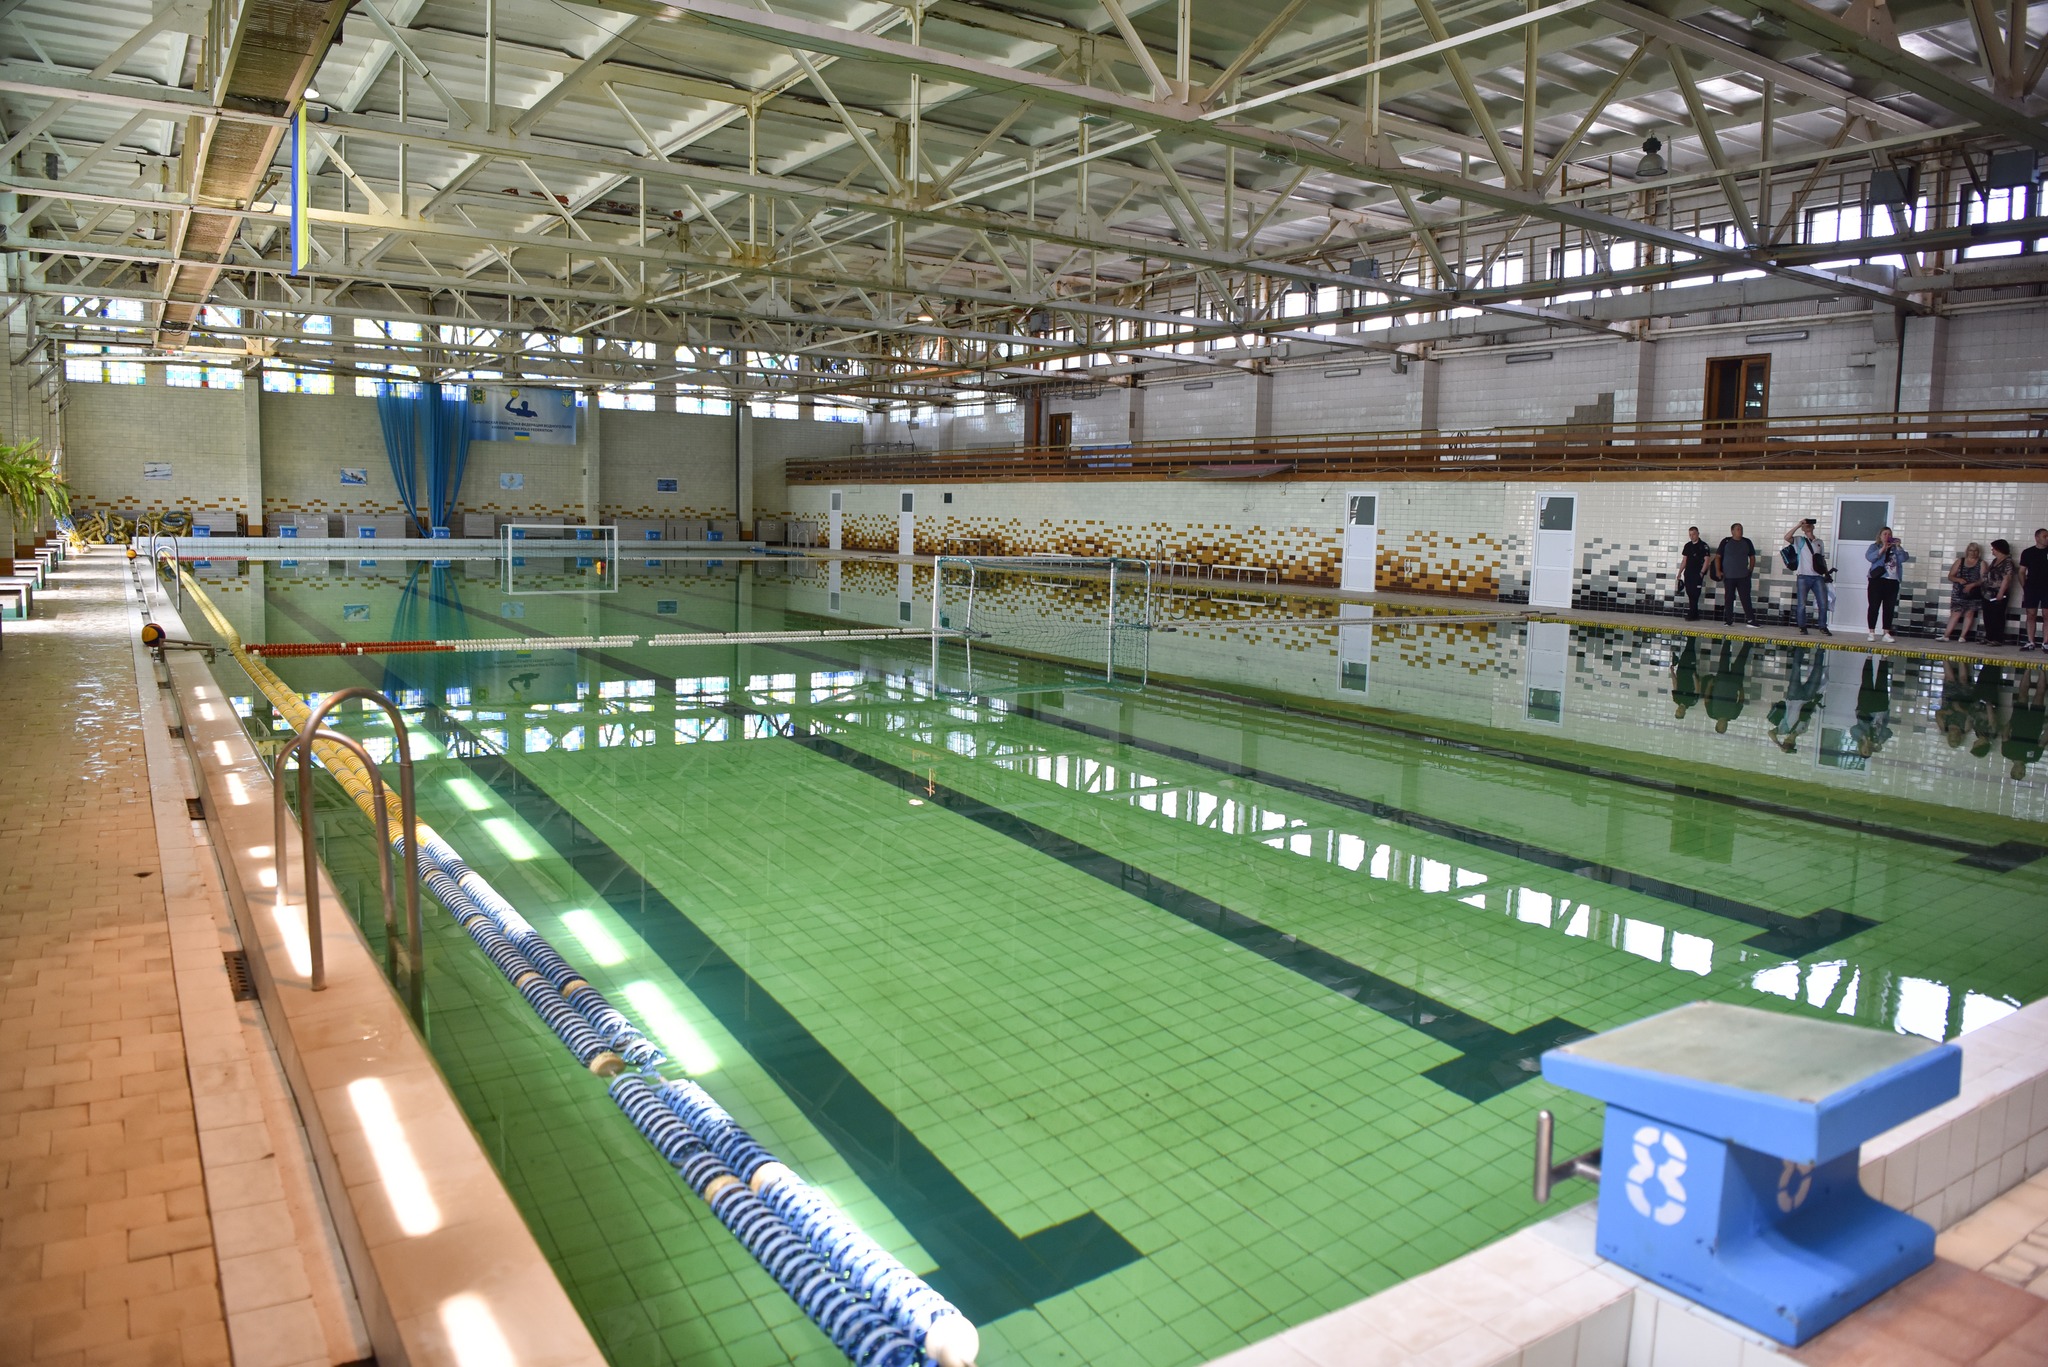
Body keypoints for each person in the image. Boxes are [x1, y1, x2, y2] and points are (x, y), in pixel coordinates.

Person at [1768, 647, 1826, 753]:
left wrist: (1779, 745)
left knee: (1796, 669)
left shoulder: (1783, 730)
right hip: (1807, 698)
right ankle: (1820, 650)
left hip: (1793, 697)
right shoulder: (1803, 730)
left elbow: (1770, 733)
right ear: (1794, 743)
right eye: (1789, 744)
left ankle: (1801, 648)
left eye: (1786, 743)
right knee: (1817, 671)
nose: (1788, 742)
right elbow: (1808, 713)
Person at [1783, 518, 1831, 636]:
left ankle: (1823, 626)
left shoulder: (1819, 542)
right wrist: (1798, 524)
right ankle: (1802, 627)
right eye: (1806, 525)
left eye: (1810, 524)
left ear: (1813, 527)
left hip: (1817, 577)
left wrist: (1826, 573)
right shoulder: (1800, 540)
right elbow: (1787, 537)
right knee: (1802, 604)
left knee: (1823, 603)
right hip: (1803, 576)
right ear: (1803, 529)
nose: (1808, 526)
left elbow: (1822, 559)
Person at [1864, 527, 1908, 642]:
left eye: (1889, 534)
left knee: (1889, 607)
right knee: (1874, 606)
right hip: (1877, 580)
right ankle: (1871, 632)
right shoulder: (1874, 546)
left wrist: (1898, 547)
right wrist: (1883, 547)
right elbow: (1870, 557)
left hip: (1892, 581)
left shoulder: (1895, 548)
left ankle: (1886, 633)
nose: (1887, 536)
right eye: (1885, 534)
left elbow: (1904, 558)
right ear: (1880, 536)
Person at [1704, 639, 1752, 734]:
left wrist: (1709, 686)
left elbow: (1707, 700)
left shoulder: (1711, 714)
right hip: (1734, 683)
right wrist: (1741, 689)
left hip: (1721, 682)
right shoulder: (1733, 716)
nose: (1724, 726)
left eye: (1721, 727)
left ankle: (1727, 641)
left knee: (1724, 660)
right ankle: (1747, 644)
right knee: (1740, 662)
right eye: (1724, 728)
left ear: (1717, 725)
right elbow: (1741, 702)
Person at [2006, 669, 2046, 780]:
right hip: (2035, 722)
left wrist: (2011, 721)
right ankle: (2043, 670)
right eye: (2023, 773)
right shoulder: (2034, 757)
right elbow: (2043, 741)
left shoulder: (2007, 753)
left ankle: (2027, 669)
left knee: (2022, 695)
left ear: (2013, 770)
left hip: (2019, 721)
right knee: (2040, 694)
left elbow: (2005, 735)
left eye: (2020, 773)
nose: (2023, 771)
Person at [1717, 523, 1759, 627]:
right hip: (1729, 576)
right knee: (1729, 598)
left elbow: (1752, 557)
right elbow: (1718, 557)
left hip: (1743, 576)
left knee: (1745, 598)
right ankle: (1729, 620)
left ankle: (1750, 620)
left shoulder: (1747, 542)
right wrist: (1718, 571)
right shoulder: (1726, 542)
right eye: (1738, 529)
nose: (1740, 531)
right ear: (1732, 531)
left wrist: (1750, 570)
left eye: (1741, 529)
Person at [1943, 543, 1986, 641]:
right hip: (1959, 592)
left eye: (1975, 551)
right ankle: (1946, 635)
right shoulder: (1960, 561)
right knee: (1956, 613)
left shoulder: (1981, 563)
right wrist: (1958, 580)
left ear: (1978, 552)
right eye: (1971, 550)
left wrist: (1972, 585)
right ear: (1967, 551)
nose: (1973, 553)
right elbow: (1950, 576)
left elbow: (1984, 579)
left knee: (1969, 613)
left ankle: (1962, 636)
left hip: (1973, 592)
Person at [1852, 657, 1893, 758]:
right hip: (1880, 709)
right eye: (1868, 752)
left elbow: (1854, 729)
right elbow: (1888, 732)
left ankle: (1869, 658)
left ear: (1860, 749)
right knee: (1882, 682)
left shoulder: (1857, 738)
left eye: (1864, 751)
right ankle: (1884, 660)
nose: (1867, 750)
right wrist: (1880, 742)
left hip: (1865, 708)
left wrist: (1864, 738)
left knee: (1866, 681)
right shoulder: (1877, 740)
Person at [1981, 539, 2016, 647]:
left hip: (1998, 592)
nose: (1992, 551)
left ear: (1999, 549)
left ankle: (1997, 638)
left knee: (1997, 615)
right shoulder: (1995, 561)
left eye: (1993, 549)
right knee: (1988, 615)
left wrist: (2001, 592)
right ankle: (1989, 636)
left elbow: (2007, 578)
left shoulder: (2007, 562)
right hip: (1988, 592)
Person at [2021, 528, 2048, 652]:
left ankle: (2046, 642)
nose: (2047, 539)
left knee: (2047, 615)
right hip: (2032, 587)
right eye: (2044, 536)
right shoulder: (2028, 552)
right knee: (2031, 614)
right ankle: (2030, 641)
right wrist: (2025, 586)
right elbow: (2021, 571)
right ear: (2037, 538)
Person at [1676, 527, 1711, 621]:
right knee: (1690, 593)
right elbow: (1684, 560)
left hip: (1697, 574)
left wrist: (1702, 573)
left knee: (1695, 594)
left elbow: (1707, 560)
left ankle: (1692, 614)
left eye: (1693, 534)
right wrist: (1680, 572)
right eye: (1690, 535)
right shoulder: (1687, 546)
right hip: (1688, 573)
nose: (1692, 536)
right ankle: (1694, 614)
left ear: (1698, 534)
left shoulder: (1703, 546)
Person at [1671, 638, 1702, 718]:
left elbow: (1675, 684)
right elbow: (1697, 689)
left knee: (1686, 653)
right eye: (1680, 712)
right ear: (1684, 713)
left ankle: (1691, 637)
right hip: (1690, 674)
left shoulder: (1676, 699)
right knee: (1691, 652)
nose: (1679, 710)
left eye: (1677, 711)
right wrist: (1694, 677)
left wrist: (1672, 672)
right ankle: (1691, 637)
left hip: (1681, 672)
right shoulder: (1691, 702)